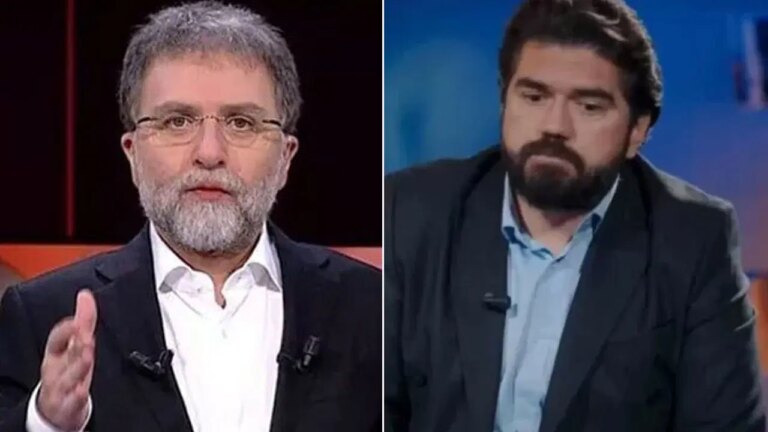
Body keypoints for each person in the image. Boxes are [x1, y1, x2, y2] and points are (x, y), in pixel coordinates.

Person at [384, 0, 765, 431]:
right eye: (534, 96)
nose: (554, 126)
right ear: (504, 101)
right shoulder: (411, 210)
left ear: (637, 131)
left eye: (589, 106)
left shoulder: (692, 239)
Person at [0, 2, 380, 431]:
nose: (210, 153)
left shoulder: (372, 307)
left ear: (285, 158)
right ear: (132, 154)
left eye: (241, 123)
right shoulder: (42, 314)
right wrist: (47, 422)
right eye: (178, 121)